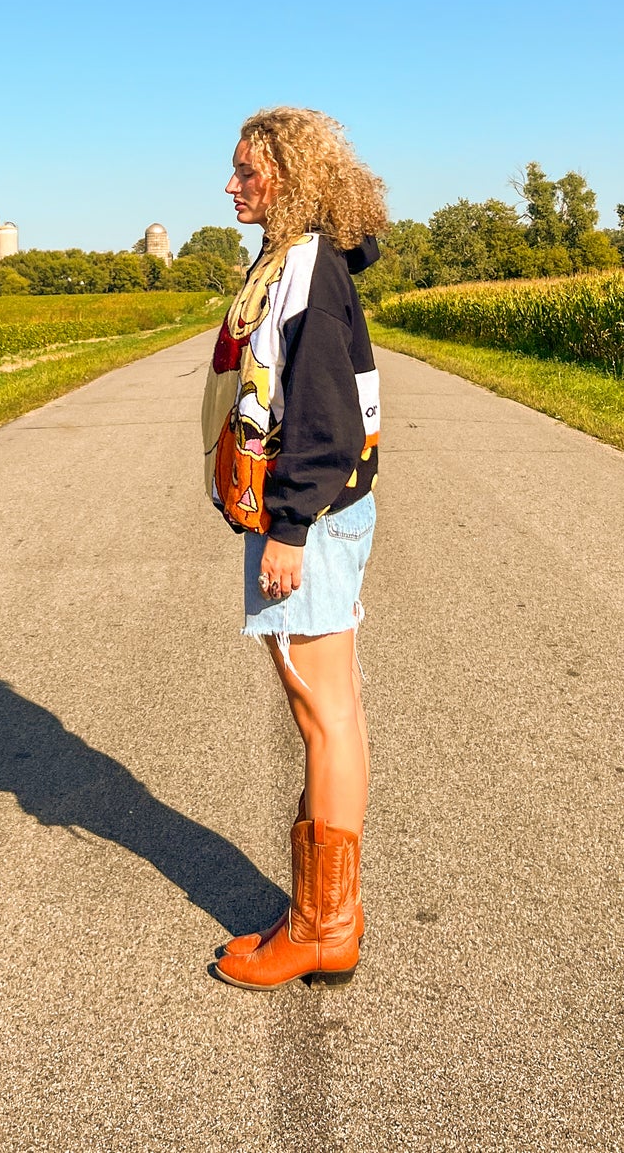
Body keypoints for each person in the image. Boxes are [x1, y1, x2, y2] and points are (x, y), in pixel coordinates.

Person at [203, 106, 385, 990]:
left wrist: (289, 526)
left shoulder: (306, 265)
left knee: (324, 715)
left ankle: (324, 927)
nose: (230, 184)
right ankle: (320, 911)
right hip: (317, 515)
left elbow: (327, 416)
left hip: (309, 519)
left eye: (246, 171)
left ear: (290, 177)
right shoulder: (296, 259)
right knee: (329, 709)